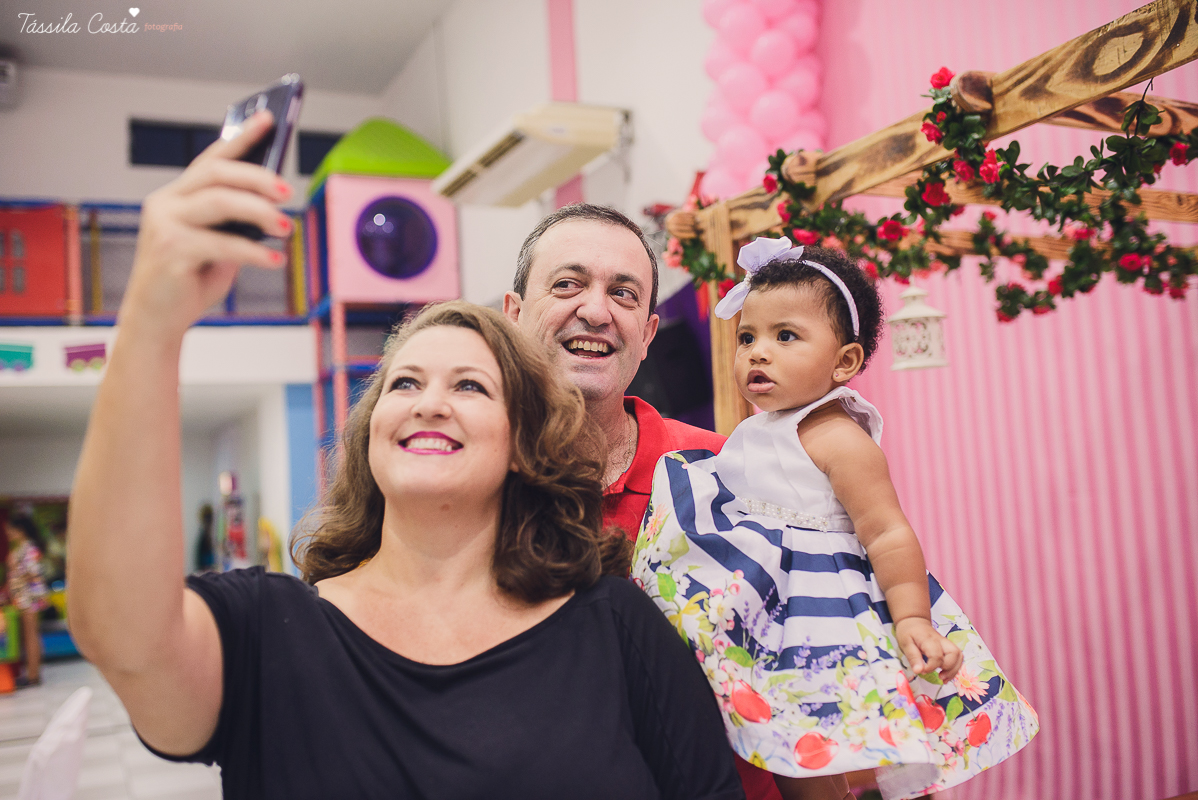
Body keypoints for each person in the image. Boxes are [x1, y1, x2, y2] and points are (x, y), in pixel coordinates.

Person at [66, 112, 745, 800]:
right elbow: (125, 636)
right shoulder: (269, 631)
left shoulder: (615, 626)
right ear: (369, 431)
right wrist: (150, 323)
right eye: (406, 382)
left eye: (471, 386)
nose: (430, 402)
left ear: (521, 445)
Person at [631, 238, 1041, 800]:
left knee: (834, 744)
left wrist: (913, 617)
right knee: (787, 743)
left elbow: (888, 531)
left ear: (844, 361)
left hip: (825, 617)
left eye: (785, 336)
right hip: (772, 613)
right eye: (747, 337)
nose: (757, 352)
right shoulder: (755, 431)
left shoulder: (837, 437)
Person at [504, 204, 782, 800]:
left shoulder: (732, 473)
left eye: (624, 294)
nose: (597, 311)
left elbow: (813, 666)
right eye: (567, 284)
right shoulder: (474, 484)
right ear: (514, 314)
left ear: (649, 335)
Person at [4, 513, 48, 687]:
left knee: (31, 636)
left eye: (10, 529)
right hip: (22, 598)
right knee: (26, 637)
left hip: (30, 598)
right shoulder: (20, 548)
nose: (7, 532)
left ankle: (33, 675)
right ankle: (29, 672)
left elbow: (34, 573)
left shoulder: (29, 549)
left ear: (20, 531)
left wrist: (16, 570)